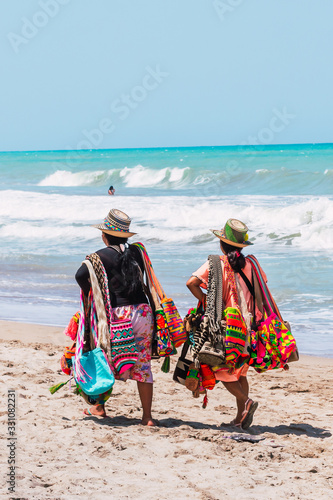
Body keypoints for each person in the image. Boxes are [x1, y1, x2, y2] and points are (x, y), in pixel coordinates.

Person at [75, 208, 155, 426]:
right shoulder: (137, 252)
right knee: (143, 365)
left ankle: (98, 407)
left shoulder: (98, 257)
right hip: (144, 313)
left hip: (119, 314)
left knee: (106, 358)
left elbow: (80, 276)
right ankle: (147, 417)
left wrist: (95, 291)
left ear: (104, 235)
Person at [186, 218, 264, 429]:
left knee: (223, 370)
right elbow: (261, 289)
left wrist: (204, 300)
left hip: (227, 326)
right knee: (242, 371)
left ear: (222, 243)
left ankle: (246, 403)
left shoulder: (217, 263)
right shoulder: (252, 264)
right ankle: (241, 417)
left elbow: (191, 283)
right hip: (249, 326)